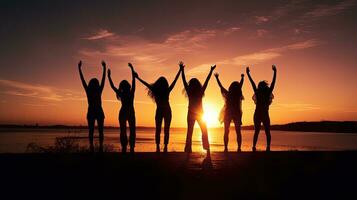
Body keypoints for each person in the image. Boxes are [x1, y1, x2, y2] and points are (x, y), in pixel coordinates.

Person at [135, 66, 182, 152]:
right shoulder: (166, 90)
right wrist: (180, 70)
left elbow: (145, 83)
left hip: (162, 111)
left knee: (159, 129)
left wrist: (138, 78)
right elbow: (175, 80)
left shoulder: (157, 90)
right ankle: (164, 147)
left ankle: (159, 146)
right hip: (166, 111)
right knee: (164, 129)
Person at [181, 61, 216, 153]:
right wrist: (211, 71)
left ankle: (188, 149)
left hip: (193, 113)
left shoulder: (190, 91)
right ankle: (206, 147)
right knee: (204, 130)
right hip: (200, 114)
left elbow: (184, 81)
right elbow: (207, 81)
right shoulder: (200, 91)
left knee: (190, 132)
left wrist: (182, 70)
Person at [246, 65, 277, 152]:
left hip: (263, 114)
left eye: (261, 86)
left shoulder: (267, 93)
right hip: (258, 114)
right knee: (257, 131)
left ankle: (267, 147)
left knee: (267, 131)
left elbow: (273, 83)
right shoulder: (258, 92)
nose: (260, 87)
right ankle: (254, 147)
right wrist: (248, 74)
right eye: (260, 86)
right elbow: (252, 83)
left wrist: (275, 72)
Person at [108, 63, 137, 153]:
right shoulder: (131, 92)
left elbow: (113, 86)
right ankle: (129, 147)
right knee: (130, 130)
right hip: (129, 112)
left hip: (124, 112)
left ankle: (125, 147)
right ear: (127, 86)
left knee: (124, 130)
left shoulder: (123, 93)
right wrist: (132, 69)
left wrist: (109, 76)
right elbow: (133, 80)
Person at [78, 60, 106, 153]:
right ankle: (94, 147)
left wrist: (79, 68)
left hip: (95, 111)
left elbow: (102, 80)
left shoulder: (93, 91)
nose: (95, 85)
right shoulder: (92, 91)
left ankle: (95, 147)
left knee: (94, 131)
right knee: (94, 131)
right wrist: (104, 68)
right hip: (94, 111)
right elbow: (102, 80)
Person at [214, 72, 244, 152]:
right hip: (236, 113)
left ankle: (226, 148)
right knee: (238, 131)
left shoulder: (228, 94)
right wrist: (242, 77)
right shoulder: (237, 94)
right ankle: (239, 148)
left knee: (226, 131)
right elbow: (241, 84)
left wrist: (217, 78)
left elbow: (221, 86)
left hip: (229, 113)